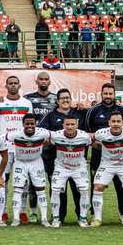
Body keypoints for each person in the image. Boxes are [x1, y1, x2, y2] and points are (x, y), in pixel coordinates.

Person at [82, 82, 123, 224]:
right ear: (101, 94)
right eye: (106, 94)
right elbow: (88, 134)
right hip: (99, 154)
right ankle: (95, 215)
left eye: (110, 94)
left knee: (121, 185)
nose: (108, 96)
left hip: (119, 155)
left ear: (114, 94)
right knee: (96, 184)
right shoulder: (93, 110)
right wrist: (98, 144)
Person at [38, 88, 86, 224]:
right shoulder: (50, 116)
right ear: (57, 101)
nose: (65, 100)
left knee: (79, 189)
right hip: (55, 160)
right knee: (58, 189)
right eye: (62, 98)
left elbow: (88, 134)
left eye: (68, 98)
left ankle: (81, 217)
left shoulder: (79, 113)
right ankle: (58, 216)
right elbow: (43, 133)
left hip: (77, 160)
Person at [0, 75, 33, 222]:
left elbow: (30, 125)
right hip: (5, 148)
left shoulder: (26, 103)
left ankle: (22, 210)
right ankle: (4, 211)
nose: (13, 85)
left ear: (19, 85)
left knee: (24, 180)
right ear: (6, 86)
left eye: (15, 83)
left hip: (22, 147)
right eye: (10, 83)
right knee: (4, 179)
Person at [91, 111, 123, 227]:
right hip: (107, 165)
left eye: (118, 121)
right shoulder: (101, 133)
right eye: (113, 121)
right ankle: (97, 219)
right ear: (109, 123)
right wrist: (100, 145)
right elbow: (90, 138)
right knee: (98, 187)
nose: (116, 124)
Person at [5, 114, 51, 227]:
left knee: (41, 189)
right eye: (27, 124)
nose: (30, 126)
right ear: (23, 124)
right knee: (18, 189)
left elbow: (52, 137)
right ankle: (16, 219)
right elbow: (3, 138)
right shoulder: (14, 134)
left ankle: (44, 218)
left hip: (36, 162)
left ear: (36, 123)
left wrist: (47, 142)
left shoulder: (43, 133)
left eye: (32, 123)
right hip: (20, 162)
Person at [48, 114, 92, 228]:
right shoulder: (55, 136)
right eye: (67, 124)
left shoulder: (84, 136)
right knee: (55, 190)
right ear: (63, 125)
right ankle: (56, 218)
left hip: (79, 167)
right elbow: (46, 140)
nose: (70, 127)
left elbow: (92, 143)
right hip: (61, 167)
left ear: (77, 125)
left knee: (83, 190)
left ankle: (82, 218)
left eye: (72, 124)